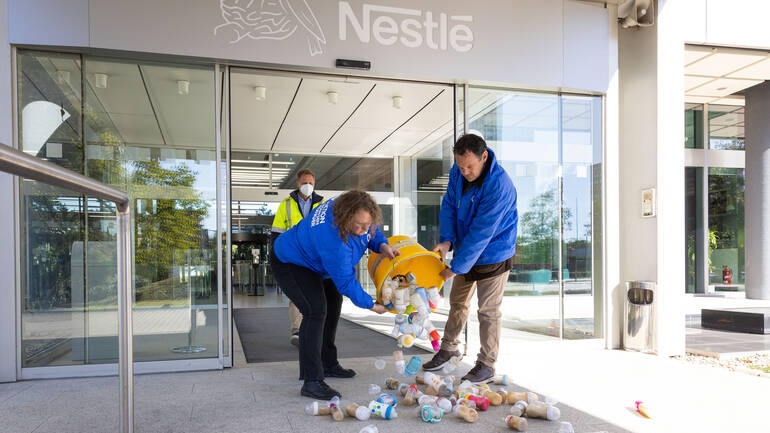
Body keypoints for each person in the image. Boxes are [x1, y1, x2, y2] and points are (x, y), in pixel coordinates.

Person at [271, 190, 399, 399]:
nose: (365, 229)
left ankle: (328, 363)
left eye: (368, 224)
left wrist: (382, 245)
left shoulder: (353, 209)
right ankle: (312, 381)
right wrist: (372, 306)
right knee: (314, 311)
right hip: (290, 260)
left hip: (314, 259)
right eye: (359, 225)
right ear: (345, 219)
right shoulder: (334, 241)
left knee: (333, 303)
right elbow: (347, 282)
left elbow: (372, 232)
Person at [422, 134, 518, 384]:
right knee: (458, 302)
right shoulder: (457, 171)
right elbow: (449, 206)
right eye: (460, 166)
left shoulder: (499, 185)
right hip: (467, 248)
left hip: (494, 252)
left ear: (484, 157)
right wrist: (447, 240)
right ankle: (449, 348)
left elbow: (481, 233)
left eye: (469, 166)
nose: (464, 171)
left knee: (488, 310)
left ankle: (486, 364)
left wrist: (453, 268)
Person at [271, 169, 325, 346]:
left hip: (314, 257)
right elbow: (277, 233)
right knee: (298, 294)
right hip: (294, 257)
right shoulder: (286, 204)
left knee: (316, 294)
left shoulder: (322, 204)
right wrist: (278, 255)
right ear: (297, 183)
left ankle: (312, 330)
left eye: (311, 182)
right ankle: (297, 330)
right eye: (304, 182)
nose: (308, 185)